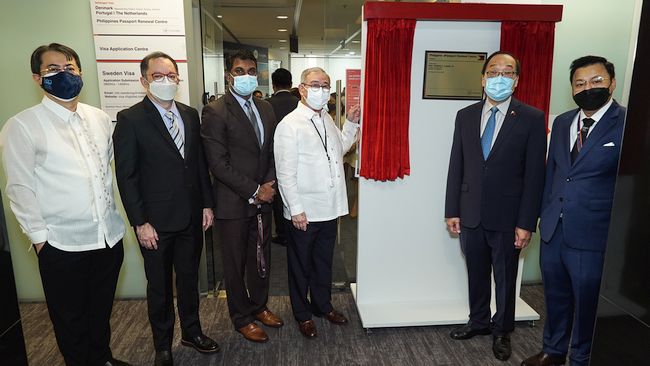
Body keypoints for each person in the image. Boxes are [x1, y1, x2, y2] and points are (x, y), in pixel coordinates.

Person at [0, 43, 129, 366]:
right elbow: (19, 188)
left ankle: (102, 358)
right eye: (53, 69)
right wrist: (41, 240)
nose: (64, 74)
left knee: (100, 312)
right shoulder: (23, 125)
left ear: (81, 72)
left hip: (107, 237)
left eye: (70, 67)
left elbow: (107, 174)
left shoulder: (98, 118)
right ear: (36, 78)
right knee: (70, 321)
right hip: (61, 244)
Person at [112, 52, 219, 365]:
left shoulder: (189, 114)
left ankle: (192, 331)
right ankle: (162, 345)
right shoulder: (130, 119)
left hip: (190, 216)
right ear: (144, 81)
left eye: (171, 75)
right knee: (159, 286)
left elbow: (198, 165)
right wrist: (139, 222)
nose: (166, 81)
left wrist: (207, 204)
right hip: (154, 224)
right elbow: (127, 176)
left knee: (188, 279)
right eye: (158, 76)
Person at [521, 56, 625, 366]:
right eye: (580, 83)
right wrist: (540, 215)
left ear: (612, 83)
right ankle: (553, 351)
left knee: (587, 301)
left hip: (593, 231)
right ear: (572, 89)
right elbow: (553, 173)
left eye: (596, 81)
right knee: (555, 296)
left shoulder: (627, 124)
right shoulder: (564, 121)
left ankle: (581, 357)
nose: (587, 88)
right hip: (555, 227)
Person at [444, 51, 547, 361]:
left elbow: (534, 175)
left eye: (506, 72)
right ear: (483, 78)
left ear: (515, 81)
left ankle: (502, 331)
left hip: (508, 217)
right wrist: (452, 209)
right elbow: (456, 164)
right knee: (476, 271)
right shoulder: (465, 115)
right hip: (470, 212)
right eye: (493, 71)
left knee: (505, 277)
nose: (498, 78)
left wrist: (527, 222)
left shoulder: (531, 117)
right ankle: (478, 322)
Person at [201, 49, 283, 343]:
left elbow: (272, 150)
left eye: (251, 71)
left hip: (264, 200)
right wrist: (254, 190)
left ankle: (259, 307)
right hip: (233, 203)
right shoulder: (215, 111)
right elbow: (218, 164)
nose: (246, 76)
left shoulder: (266, 109)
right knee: (234, 264)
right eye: (239, 71)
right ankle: (241, 317)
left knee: (261, 258)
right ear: (228, 76)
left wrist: (269, 184)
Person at [274, 67, 361, 339]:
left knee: (324, 261)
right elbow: (285, 173)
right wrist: (296, 209)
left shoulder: (325, 118)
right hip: (304, 211)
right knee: (301, 264)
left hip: (328, 208)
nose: (321, 89)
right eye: (315, 84)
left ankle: (323, 305)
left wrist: (352, 122)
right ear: (301, 88)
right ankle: (302, 314)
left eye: (325, 85)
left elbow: (339, 148)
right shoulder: (289, 124)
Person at [266, 68, 300, 245]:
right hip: (299, 157)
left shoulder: (265, 104)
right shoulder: (300, 103)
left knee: (278, 197)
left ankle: (282, 233)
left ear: (273, 85)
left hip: (272, 158)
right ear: (292, 83)